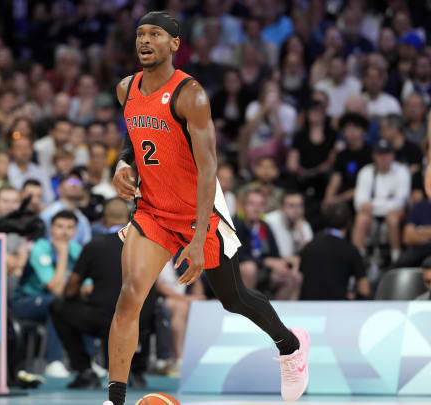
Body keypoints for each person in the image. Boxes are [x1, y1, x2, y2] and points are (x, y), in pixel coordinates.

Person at [104, 12, 308, 405]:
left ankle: (290, 346)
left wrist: (197, 239)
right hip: (151, 210)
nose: (145, 41)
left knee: (234, 299)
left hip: (199, 209)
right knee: (130, 294)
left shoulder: (190, 94)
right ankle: (114, 400)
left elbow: (209, 169)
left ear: (175, 44)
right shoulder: (126, 88)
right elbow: (134, 136)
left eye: (156, 35)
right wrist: (122, 163)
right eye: (141, 34)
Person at [51, 198, 156, 389]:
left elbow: (72, 287)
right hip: (142, 317)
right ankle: (137, 371)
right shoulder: (147, 244)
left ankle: (84, 370)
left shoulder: (95, 244)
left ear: (103, 219)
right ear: (130, 218)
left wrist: (81, 294)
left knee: (58, 306)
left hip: (105, 317)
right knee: (146, 310)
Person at [12, 210, 81, 378]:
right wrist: (63, 253)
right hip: (24, 302)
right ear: (51, 229)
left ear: (75, 231)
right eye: (59, 226)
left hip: (56, 302)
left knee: (83, 305)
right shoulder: (40, 248)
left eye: (69, 227)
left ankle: (86, 363)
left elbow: (87, 286)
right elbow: (56, 289)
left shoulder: (77, 249)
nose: (64, 232)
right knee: (57, 304)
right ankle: (54, 362)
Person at [352, 139, 410, 262]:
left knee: (392, 217)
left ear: (393, 155)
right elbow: (359, 202)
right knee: (361, 218)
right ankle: (356, 262)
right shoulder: (366, 172)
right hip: (372, 215)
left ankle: (396, 259)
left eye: (387, 153)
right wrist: (384, 205)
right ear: (374, 156)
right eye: (380, 154)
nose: (383, 157)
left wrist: (373, 205)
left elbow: (401, 202)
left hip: (394, 215)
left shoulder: (402, 171)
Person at [299, 203, 369, 300]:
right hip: (338, 308)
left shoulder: (309, 247)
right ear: (349, 223)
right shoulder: (351, 250)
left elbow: (299, 277)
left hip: (308, 308)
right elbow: (364, 289)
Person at [265, 191, 313, 259]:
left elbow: (310, 254)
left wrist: (301, 232)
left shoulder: (304, 225)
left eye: (300, 205)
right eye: (291, 206)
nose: (297, 210)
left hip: (294, 263)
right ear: (281, 208)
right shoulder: (269, 221)